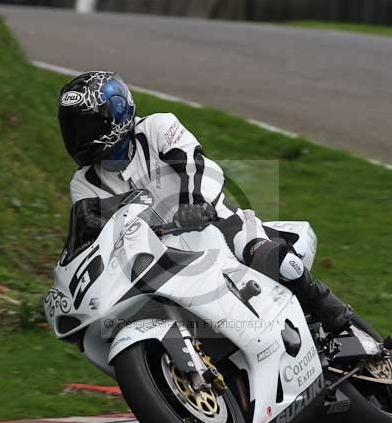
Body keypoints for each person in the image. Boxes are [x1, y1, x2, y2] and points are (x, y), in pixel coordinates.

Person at [58, 71, 353, 334]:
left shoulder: (157, 128)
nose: (77, 137)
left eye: (85, 128)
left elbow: (193, 166)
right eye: (71, 129)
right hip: (156, 258)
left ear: (115, 115)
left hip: (215, 221)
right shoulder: (84, 183)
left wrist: (194, 205)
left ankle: (329, 307)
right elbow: (92, 231)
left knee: (266, 257)